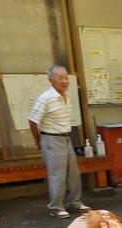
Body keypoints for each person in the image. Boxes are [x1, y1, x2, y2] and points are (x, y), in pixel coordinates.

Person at [29, 65, 91, 219]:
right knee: (58, 174)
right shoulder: (46, 98)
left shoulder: (66, 97)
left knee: (73, 173)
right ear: (51, 80)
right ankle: (56, 207)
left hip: (65, 137)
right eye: (60, 77)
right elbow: (32, 120)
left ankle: (74, 203)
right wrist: (37, 140)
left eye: (66, 77)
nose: (64, 81)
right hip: (51, 138)